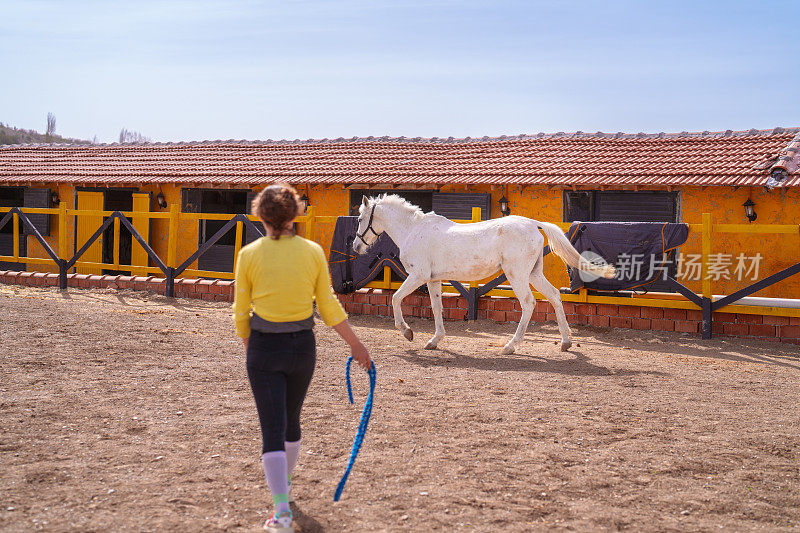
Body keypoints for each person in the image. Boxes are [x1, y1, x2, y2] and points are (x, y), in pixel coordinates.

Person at [233, 183, 372, 532]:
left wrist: (253, 350)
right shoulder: (311, 252)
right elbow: (327, 305)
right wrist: (356, 345)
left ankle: (281, 511)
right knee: (291, 422)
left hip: (264, 347)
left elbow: (240, 313)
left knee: (272, 429)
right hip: (302, 349)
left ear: (260, 215)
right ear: (296, 212)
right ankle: (287, 483)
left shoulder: (248, 255)